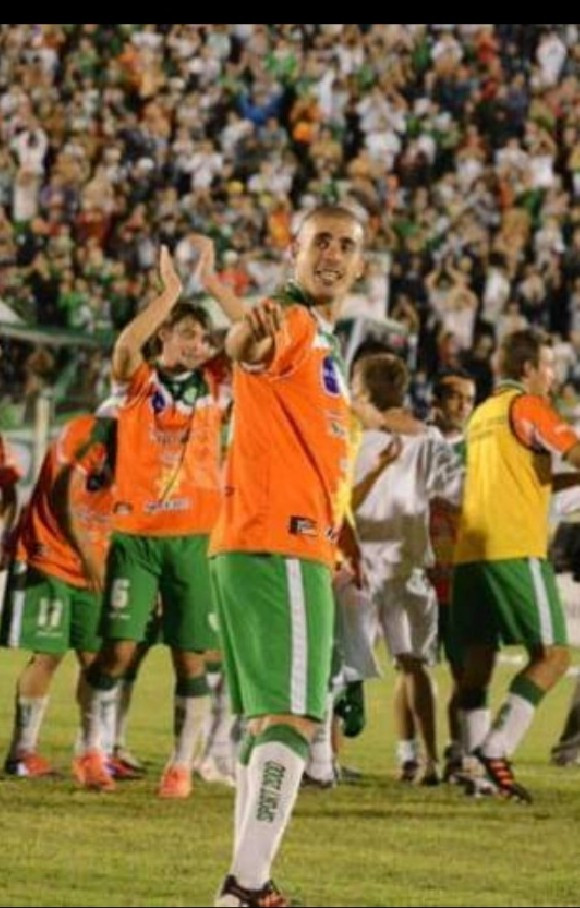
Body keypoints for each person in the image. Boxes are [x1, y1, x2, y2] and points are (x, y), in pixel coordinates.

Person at [198, 205, 365, 908]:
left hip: (262, 541)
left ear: (360, 263)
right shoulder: (292, 319)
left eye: (346, 245)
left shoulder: (323, 336)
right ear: (293, 250)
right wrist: (244, 330)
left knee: (269, 721)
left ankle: (248, 886)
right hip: (280, 540)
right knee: (296, 719)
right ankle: (247, 886)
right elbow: (250, 343)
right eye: (321, 241)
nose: (333, 254)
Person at [75, 246, 226, 797]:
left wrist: (212, 282)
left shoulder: (216, 387)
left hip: (194, 540)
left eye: (202, 338)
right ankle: (91, 749)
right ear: (164, 335)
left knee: (192, 658)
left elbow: (249, 341)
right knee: (118, 650)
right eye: (185, 334)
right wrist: (170, 293)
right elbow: (124, 347)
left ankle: (180, 766)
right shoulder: (138, 385)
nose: (195, 344)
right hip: (137, 538)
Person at [452, 328, 580, 802]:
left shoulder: (482, 415)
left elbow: (520, 476)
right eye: (547, 366)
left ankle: (475, 772)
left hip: (472, 552)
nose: (552, 375)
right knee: (554, 656)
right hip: (514, 547)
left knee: (478, 666)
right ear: (527, 370)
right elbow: (574, 452)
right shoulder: (527, 406)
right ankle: (496, 747)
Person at [351, 352, 463, 787]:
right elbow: (459, 491)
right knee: (414, 666)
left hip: (359, 568)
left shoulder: (354, 436)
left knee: (338, 670)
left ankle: (322, 761)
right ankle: (429, 760)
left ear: (365, 390)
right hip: (409, 569)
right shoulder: (428, 439)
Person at [1, 414, 117, 776]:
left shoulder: (156, 448)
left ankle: (91, 750)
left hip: (96, 561)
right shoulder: (85, 433)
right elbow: (62, 496)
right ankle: (22, 752)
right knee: (48, 654)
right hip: (48, 553)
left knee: (96, 658)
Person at [427, 368, 476, 781]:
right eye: (457, 397)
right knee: (414, 671)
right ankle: (415, 756)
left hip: (462, 580)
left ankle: (460, 752)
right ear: (437, 403)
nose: (464, 406)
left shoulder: (479, 450)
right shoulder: (418, 445)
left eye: (470, 399)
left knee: (467, 671)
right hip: (420, 578)